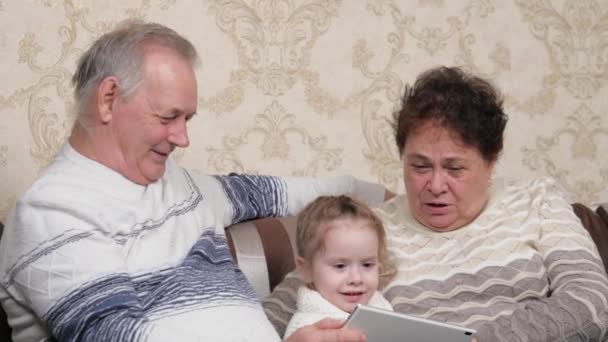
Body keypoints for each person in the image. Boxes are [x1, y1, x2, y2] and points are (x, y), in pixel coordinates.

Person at [0, 20, 394, 342]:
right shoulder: (52, 211)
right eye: (168, 117)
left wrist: (387, 196)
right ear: (108, 99)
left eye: (186, 120)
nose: (182, 138)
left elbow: (273, 192)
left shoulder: (177, 183)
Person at [264, 66, 608, 341]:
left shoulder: (538, 200)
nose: (435, 185)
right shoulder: (366, 227)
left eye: (455, 168)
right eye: (419, 166)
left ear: (491, 162)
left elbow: (591, 300)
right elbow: (268, 319)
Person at [283, 195, 394, 338]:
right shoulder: (307, 329)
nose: (356, 279)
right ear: (307, 270)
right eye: (340, 266)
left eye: (367, 264)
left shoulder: (380, 306)